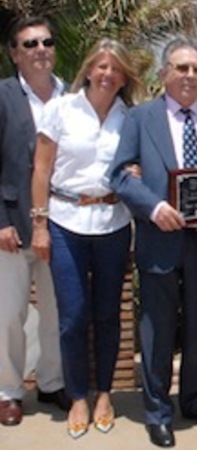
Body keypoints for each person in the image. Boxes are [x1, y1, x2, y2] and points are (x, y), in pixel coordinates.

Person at [109, 38, 197, 447]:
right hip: (159, 238)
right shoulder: (140, 118)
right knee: (157, 330)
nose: (190, 76)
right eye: (182, 68)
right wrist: (154, 207)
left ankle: (196, 401)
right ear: (164, 74)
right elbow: (119, 175)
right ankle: (158, 412)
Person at [29, 38, 146, 438]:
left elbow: (140, 165)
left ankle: (105, 395)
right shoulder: (60, 109)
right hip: (65, 223)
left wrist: (137, 173)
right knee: (73, 316)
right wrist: (40, 225)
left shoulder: (130, 118)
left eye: (116, 69)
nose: (108, 74)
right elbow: (41, 169)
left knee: (108, 315)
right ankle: (78, 395)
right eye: (102, 66)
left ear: (124, 77)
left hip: (113, 223)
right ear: (89, 70)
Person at [0, 16, 70, 427]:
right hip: (11, 225)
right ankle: (9, 391)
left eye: (46, 42)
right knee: (9, 314)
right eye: (29, 44)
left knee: (56, 309)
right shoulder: (3, 96)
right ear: (14, 53)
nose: (40, 50)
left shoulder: (73, 95)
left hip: (63, 224)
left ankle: (51, 381)